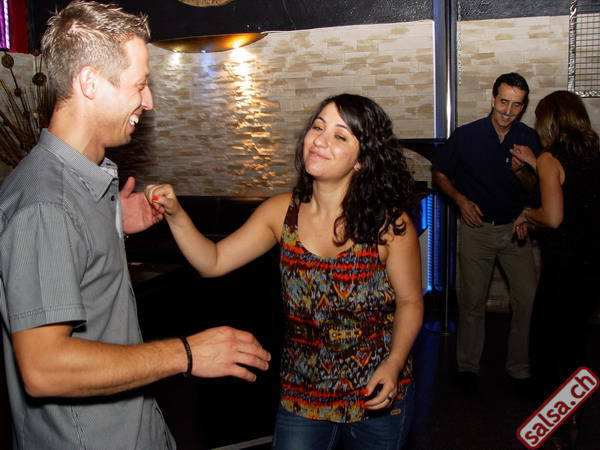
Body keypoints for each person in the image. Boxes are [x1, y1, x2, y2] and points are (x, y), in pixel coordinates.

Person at [0, 2, 270, 449]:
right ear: (89, 83)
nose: (149, 101)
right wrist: (187, 353)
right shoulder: (47, 206)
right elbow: (44, 369)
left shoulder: (82, 187)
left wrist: (110, 225)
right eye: (140, 85)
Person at [146, 93, 424, 450]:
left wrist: (394, 364)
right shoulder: (281, 213)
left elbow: (410, 302)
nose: (320, 140)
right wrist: (176, 214)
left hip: (376, 389)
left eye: (340, 136)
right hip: (302, 393)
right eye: (318, 127)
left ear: (361, 160)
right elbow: (212, 262)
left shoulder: (388, 225)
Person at [431, 72, 540, 389]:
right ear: (493, 99)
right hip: (476, 230)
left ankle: (519, 367)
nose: (508, 110)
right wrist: (460, 200)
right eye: (504, 101)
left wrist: (522, 173)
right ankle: (467, 367)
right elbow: (439, 173)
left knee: (527, 300)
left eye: (516, 105)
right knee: (471, 303)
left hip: (515, 231)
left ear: (523, 107)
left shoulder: (529, 139)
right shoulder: (467, 135)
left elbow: (538, 189)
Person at [511, 91, 600, 403]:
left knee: (546, 339)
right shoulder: (592, 152)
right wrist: (533, 164)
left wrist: (527, 214)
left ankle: (553, 410)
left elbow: (553, 216)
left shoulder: (550, 159)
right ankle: (574, 407)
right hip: (591, 260)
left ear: (548, 121)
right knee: (577, 337)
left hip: (564, 263)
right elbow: (572, 190)